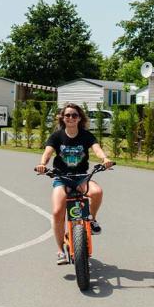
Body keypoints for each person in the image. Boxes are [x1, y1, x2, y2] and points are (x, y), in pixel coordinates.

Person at [35, 103, 113, 265]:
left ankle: (91, 219)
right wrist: (42, 164)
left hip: (81, 177)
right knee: (57, 212)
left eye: (74, 115)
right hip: (61, 178)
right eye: (67, 115)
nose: (71, 118)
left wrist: (104, 159)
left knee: (97, 192)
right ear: (63, 118)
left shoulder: (86, 136)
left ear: (80, 118)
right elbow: (47, 153)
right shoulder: (56, 136)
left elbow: (97, 149)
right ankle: (60, 250)